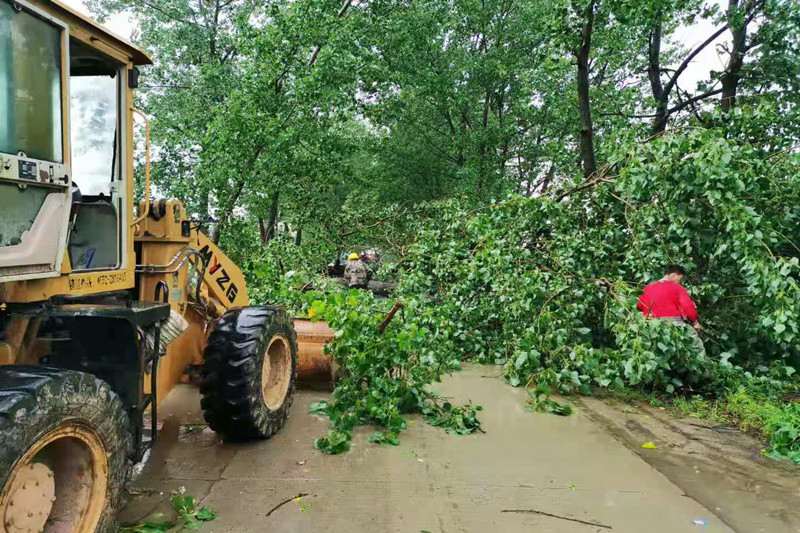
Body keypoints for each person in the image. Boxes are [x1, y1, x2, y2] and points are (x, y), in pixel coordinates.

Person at [637, 264, 705, 353]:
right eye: (679, 279)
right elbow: (688, 307)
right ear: (673, 275)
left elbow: (639, 306)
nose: (679, 282)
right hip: (672, 323)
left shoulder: (648, 288)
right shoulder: (677, 288)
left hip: (651, 324)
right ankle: (702, 363)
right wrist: (695, 322)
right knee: (696, 347)